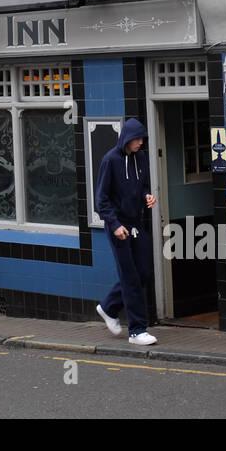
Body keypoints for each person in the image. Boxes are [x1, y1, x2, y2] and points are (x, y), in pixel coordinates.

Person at [94, 118, 158, 346]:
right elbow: (100, 200)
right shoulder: (110, 160)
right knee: (130, 277)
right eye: (137, 139)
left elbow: (143, 186)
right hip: (119, 226)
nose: (141, 142)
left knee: (143, 273)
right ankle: (137, 330)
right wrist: (114, 224)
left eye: (142, 138)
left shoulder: (140, 158)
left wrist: (148, 196)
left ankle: (109, 307)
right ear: (126, 139)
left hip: (136, 223)